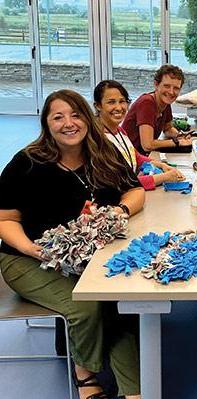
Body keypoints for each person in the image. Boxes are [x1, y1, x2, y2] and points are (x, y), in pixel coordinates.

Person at [0, 90, 145, 399]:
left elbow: (135, 191)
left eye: (75, 114)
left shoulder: (102, 154)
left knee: (119, 305)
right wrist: (33, 249)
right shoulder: (26, 163)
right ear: (46, 124)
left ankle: (133, 392)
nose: (69, 123)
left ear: (86, 118)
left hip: (88, 259)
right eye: (58, 117)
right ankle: (86, 376)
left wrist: (120, 210)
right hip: (27, 259)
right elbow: (5, 220)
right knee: (87, 305)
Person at [94, 79, 185, 190]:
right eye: (111, 102)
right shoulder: (98, 140)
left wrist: (162, 165)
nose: (118, 107)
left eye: (122, 101)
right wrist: (164, 177)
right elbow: (125, 183)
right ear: (98, 105)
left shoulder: (119, 131)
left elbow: (136, 157)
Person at [121, 64, 192, 154]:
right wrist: (177, 142)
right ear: (156, 85)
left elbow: (168, 129)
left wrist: (181, 136)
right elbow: (147, 145)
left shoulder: (165, 104)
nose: (171, 92)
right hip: (126, 159)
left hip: (140, 155)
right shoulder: (147, 103)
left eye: (176, 88)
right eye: (167, 86)